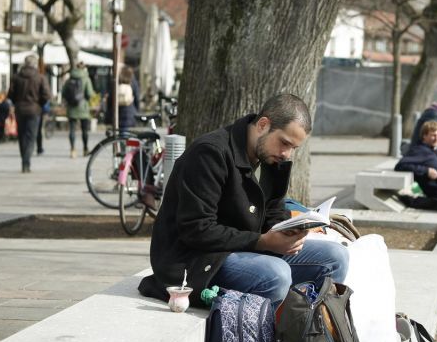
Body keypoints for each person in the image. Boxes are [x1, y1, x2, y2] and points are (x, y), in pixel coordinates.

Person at [137, 93, 348, 307]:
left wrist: (288, 231)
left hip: (244, 248)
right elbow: (196, 229)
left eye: (293, 148)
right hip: (196, 260)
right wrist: (263, 241)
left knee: (335, 257)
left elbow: (274, 210)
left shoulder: (271, 157)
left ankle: (308, 331)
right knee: (276, 274)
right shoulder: (210, 153)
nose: (286, 154)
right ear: (263, 125)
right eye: (284, 143)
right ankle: (265, 338)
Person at [8, 54, 51, 173]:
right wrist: (40, 104)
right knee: (31, 136)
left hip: (20, 109)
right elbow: (47, 95)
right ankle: (26, 162)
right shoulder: (40, 78)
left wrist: (17, 102)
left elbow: (10, 94)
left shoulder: (16, 77)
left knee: (22, 135)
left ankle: (24, 159)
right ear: (35, 64)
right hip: (34, 110)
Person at [394, 120, 437, 199]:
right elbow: (400, 165)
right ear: (424, 136)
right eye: (433, 135)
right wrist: (426, 171)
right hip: (430, 193)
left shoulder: (432, 150)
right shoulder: (420, 150)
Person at [62, 61, 95, 158]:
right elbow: (90, 94)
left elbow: (64, 93)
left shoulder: (69, 79)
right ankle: (85, 148)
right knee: (84, 130)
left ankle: (73, 150)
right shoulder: (86, 79)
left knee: (72, 130)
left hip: (72, 108)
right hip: (84, 108)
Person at [116, 65, 140, 135]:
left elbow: (111, 98)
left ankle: (122, 144)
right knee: (127, 133)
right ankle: (125, 144)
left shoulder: (117, 81)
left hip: (118, 111)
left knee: (121, 133)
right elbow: (137, 97)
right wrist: (137, 110)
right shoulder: (133, 81)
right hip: (130, 111)